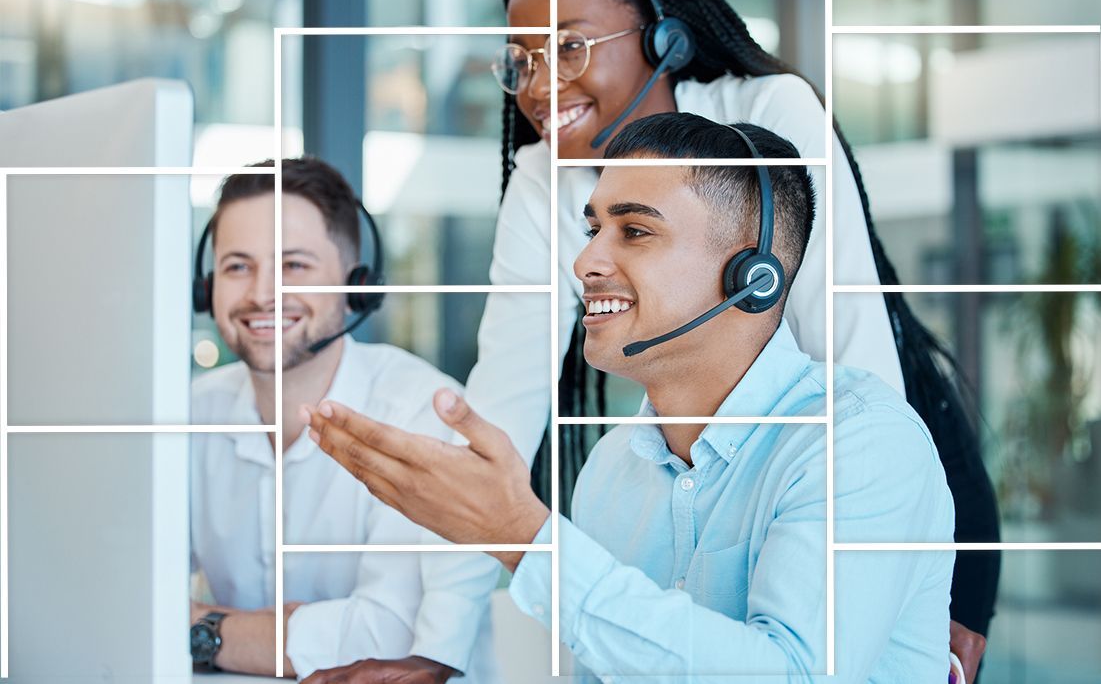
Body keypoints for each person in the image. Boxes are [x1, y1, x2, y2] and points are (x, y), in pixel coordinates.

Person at [468, 0, 998, 667]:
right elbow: (502, 399)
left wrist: (888, 586)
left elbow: (849, 342)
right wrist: (430, 641)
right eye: (521, 61)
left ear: (664, 37)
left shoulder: (765, 116)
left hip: (884, 447)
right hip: (723, 463)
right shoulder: (540, 176)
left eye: (569, 48)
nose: (537, 84)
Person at [306, 114, 957, 681]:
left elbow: (795, 675)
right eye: (592, 228)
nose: (585, 261)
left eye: (634, 231)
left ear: (751, 277)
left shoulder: (860, 443)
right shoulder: (612, 470)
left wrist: (524, 539)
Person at [189, 158, 497, 682]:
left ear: (356, 285)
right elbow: (126, 596)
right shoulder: (193, 412)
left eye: (294, 266)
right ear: (208, 286)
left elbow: (389, 639)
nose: (263, 294)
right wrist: (281, 634)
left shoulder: (424, 413)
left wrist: (203, 629)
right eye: (238, 266)